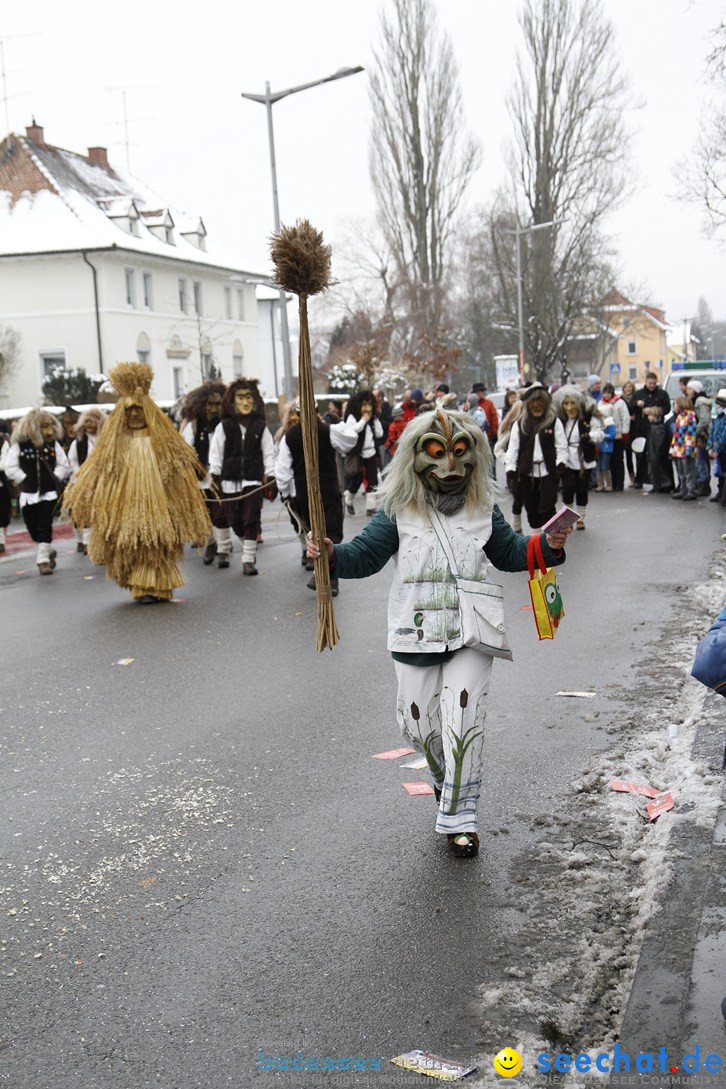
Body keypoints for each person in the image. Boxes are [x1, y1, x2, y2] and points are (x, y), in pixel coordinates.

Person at [307, 407, 570, 859]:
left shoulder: (482, 505)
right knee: (418, 725)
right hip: (414, 632)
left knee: (465, 720)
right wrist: (331, 554)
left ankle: (460, 817)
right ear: (416, 456)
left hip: (471, 630)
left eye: (459, 454)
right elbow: (365, 556)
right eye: (437, 453)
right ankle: (445, 776)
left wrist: (547, 545)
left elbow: (509, 552)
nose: (449, 466)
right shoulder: (397, 508)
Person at [63, 362, 211, 602]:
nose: (133, 414)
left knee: (158, 542)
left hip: (159, 501)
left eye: (138, 409)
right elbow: (100, 469)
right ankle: (141, 585)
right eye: (129, 410)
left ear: (148, 411)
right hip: (126, 502)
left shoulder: (162, 441)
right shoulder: (113, 443)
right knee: (133, 543)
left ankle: (158, 585)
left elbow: (177, 465)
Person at [275, 408, 358, 596]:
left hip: (304, 491)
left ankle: (325, 576)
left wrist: (286, 492)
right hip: (327, 488)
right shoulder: (328, 430)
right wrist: (337, 423)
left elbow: (283, 471)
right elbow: (351, 440)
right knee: (331, 533)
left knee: (316, 533)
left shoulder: (291, 435)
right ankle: (329, 578)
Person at [208, 377, 276, 575]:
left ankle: (248, 559)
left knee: (251, 519)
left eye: (249, 397)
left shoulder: (260, 426)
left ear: (255, 400)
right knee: (235, 521)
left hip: (252, 481)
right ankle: (247, 546)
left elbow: (269, 452)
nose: (245, 402)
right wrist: (215, 475)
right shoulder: (225, 426)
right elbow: (216, 452)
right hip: (229, 482)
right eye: (240, 398)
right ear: (232, 401)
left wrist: (271, 476)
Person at [4, 409, 70, 575]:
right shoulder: (20, 446)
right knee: (33, 529)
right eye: (43, 426)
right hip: (28, 495)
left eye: (49, 425)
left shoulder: (53, 445)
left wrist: (55, 476)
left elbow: (64, 465)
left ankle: (43, 560)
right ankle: (47, 549)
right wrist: (24, 478)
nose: (48, 430)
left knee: (44, 525)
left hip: (49, 494)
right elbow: (10, 467)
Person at [505, 384, 567, 530]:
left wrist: (561, 463)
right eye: (533, 402)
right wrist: (511, 468)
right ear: (528, 404)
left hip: (548, 472)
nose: (536, 406)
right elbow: (513, 448)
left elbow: (561, 445)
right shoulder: (521, 424)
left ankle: (550, 541)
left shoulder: (554, 422)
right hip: (527, 473)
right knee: (531, 508)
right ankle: (537, 538)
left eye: (540, 402)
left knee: (548, 507)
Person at [180, 380, 227, 567]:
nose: (214, 409)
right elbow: (185, 451)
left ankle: (223, 548)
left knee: (221, 512)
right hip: (199, 477)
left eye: (218, 404)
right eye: (210, 404)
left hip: (221, 475)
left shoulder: (225, 424)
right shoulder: (192, 426)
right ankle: (211, 544)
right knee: (205, 512)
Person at [552, 385, 603, 530]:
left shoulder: (587, 418)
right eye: (566, 403)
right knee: (567, 490)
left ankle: (581, 518)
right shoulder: (559, 420)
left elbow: (599, 433)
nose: (569, 407)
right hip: (566, 460)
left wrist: (589, 436)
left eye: (572, 403)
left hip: (583, 461)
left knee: (582, 490)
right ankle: (567, 520)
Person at [68, 407, 107, 553]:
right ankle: (86, 542)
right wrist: (80, 475)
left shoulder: (106, 440)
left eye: (92, 421)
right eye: (86, 421)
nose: (88, 424)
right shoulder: (78, 443)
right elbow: (72, 461)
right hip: (83, 483)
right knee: (85, 512)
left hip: (103, 481)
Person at [343, 390, 384, 516]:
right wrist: (363, 421)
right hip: (357, 453)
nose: (367, 408)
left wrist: (374, 420)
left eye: (369, 404)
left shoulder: (373, 419)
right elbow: (351, 431)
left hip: (371, 452)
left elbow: (380, 434)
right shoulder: (352, 417)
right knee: (357, 478)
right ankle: (348, 499)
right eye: (364, 404)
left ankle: (370, 507)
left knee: (372, 480)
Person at [631, 372, 672, 492]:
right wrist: (637, 404)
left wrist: (655, 411)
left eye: (654, 383)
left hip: (657, 426)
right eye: (650, 383)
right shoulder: (638, 394)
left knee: (657, 456)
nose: (652, 385)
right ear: (646, 382)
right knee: (641, 456)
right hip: (642, 427)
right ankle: (639, 480)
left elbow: (667, 408)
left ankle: (661, 482)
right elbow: (629, 407)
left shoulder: (662, 394)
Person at [599, 383, 630, 491]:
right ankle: (610, 483)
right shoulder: (600, 403)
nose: (607, 395)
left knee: (618, 460)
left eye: (609, 393)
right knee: (608, 461)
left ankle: (619, 483)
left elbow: (625, 418)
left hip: (617, 435)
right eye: (605, 393)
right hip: (606, 436)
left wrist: (625, 432)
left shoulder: (620, 403)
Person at [686, 379, 714, 497]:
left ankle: (703, 484)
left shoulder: (700, 401)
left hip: (703, 435)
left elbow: (704, 420)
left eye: (690, 389)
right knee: (702, 460)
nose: (687, 391)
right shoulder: (697, 401)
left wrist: (695, 432)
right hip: (702, 435)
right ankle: (703, 483)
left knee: (700, 460)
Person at [669, 395, 699, 501]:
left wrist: (688, 450)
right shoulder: (679, 417)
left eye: (676, 404)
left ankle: (691, 490)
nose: (675, 406)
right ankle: (683, 489)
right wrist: (672, 448)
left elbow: (690, 435)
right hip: (678, 449)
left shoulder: (690, 417)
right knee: (681, 472)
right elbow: (676, 435)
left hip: (686, 450)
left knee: (689, 471)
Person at [707, 389, 726, 506]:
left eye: (718, 404)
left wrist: (717, 449)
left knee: (723, 472)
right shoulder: (718, 417)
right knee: (719, 473)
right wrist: (710, 447)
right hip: (717, 449)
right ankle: (720, 492)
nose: (716, 406)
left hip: (723, 450)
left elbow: (724, 435)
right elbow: (712, 432)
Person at [619, 379, 638, 485]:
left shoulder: (636, 398)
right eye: (626, 387)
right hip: (625, 430)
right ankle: (632, 476)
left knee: (639, 454)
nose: (628, 389)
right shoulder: (620, 400)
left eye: (630, 387)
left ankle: (639, 476)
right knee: (628, 455)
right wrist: (628, 418)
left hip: (635, 429)